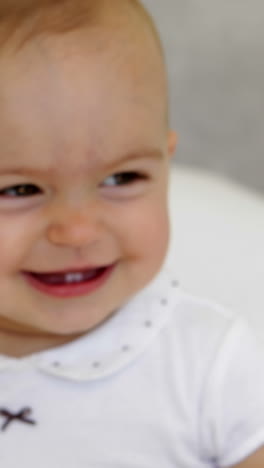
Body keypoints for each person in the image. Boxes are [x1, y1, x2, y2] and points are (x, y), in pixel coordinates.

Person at [0, 1, 263, 466]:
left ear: (165, 162)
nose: (77, 231)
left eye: (122, 179)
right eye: (20, 189)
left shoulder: (209, 366)